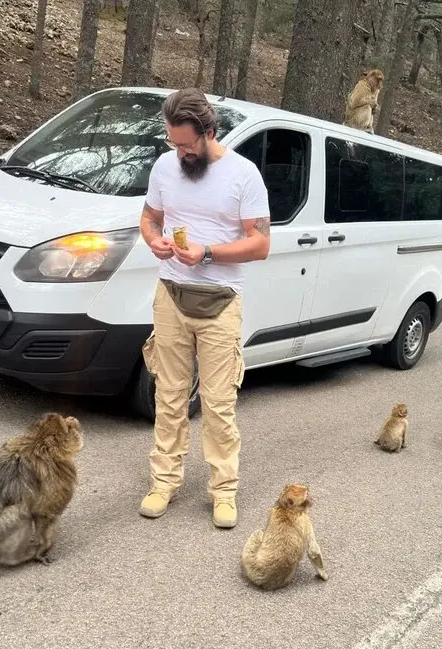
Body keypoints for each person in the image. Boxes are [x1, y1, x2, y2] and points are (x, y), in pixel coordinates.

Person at [137, 88, 271, 528]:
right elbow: (149, 217)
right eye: (174, 143)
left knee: (217, 403)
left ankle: (223, 491)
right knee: (169, 394)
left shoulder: (244, 175)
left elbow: (261, 243)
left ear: (209, 133)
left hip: (219, 302)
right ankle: (163, 482)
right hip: (171, 295)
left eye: (188, 145)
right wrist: (153, 239)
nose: (180, 152)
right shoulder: (164, 165)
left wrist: (208, 253)